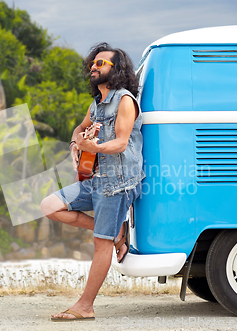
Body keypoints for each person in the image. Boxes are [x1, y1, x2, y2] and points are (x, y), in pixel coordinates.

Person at [40, 42, 145, 321]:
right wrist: (76, 144)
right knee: (49, 206)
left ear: (117, 69)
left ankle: (85, 306)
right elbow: (80, 128)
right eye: (92, 63)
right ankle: (115, 233)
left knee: (100, 245)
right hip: (95, 179)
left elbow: (122, 143)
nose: (93, 67)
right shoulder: (96, 103)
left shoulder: (124, 100)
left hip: (118, 183)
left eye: (101, 63)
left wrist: (95, 148)